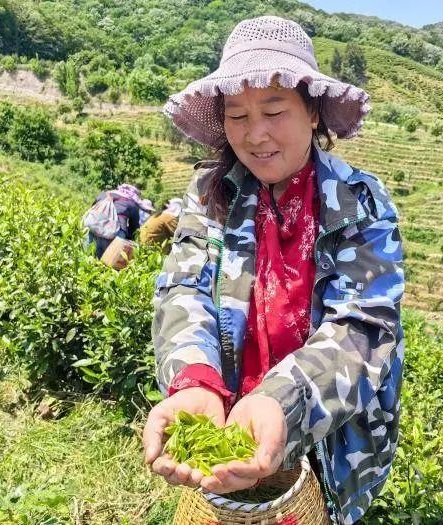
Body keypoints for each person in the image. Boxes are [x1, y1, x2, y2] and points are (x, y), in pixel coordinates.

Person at [142, 16, 405, 525]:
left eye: (274, 110)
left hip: (328, 426)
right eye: (237, 116)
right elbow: (184, 288)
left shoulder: (360, 203)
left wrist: (282, 404)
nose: (255, 134)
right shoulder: (210, 193)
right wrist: (195, 381)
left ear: (312, 113)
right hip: (226, 410)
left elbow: (364, 328)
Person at [86, 183, 144, 258]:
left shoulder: (104, 194)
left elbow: (93, 209)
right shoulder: (132, 204)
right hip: (116, 235)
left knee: (89, 259)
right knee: (108, 264)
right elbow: (134, 229)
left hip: (95, 229)